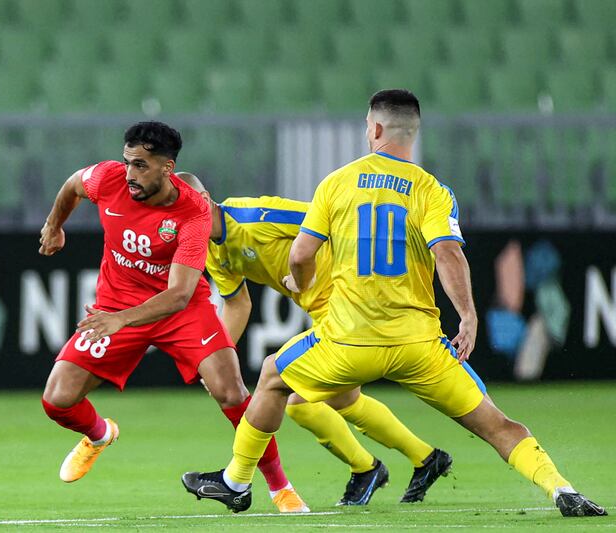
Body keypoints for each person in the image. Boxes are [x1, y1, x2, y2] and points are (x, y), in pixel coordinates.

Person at [181, 91, 607, 518]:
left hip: (349, 341)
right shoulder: (431, 190)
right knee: (498, 426)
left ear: (376, 129)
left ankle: (237, 482)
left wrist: (302, 280)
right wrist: (469, 315)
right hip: (418, 346)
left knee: (274, 376)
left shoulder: (336, 183)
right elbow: (449, 255)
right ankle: (561, 489)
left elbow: (300, 254)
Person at [38, 121, 308, 513]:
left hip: (177, 312)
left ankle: (279, 487)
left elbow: (179, 295)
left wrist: (121, 320)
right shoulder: (108, 178)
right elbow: (72, 185)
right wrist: (54, 225)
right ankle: (99, 435)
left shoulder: (193, 211)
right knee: (56, 401)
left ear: (167, 167)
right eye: (128, 162)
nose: (130, 174)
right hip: (117, 305)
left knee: (231, 391)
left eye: (141, 166)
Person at [176, 171, 450, 505]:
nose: (175, 225)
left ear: (202, 202)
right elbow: (237, 303)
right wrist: (218, 360)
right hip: (326, 313)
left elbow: (328, 218)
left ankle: (241, 480)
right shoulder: (211, 250)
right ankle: (421, 459)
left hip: (349, 305)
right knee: (337, 400)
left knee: (289, 392)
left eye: (178, 213)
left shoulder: (255, 217)